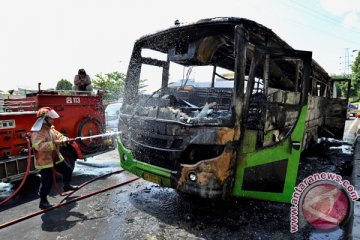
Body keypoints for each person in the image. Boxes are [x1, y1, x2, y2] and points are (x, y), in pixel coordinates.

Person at [31, 107, 79, 209]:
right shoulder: (37, 132)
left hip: (56, 156)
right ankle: (43, 202)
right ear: (44, 119)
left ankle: (66, 186)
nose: (52, 120)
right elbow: (38, 146)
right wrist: (54, 143)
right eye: (50, 118)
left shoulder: (51, 129)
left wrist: (66, 139)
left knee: (67, 169)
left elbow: (59, 136)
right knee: (47, 182)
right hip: (44, 160)